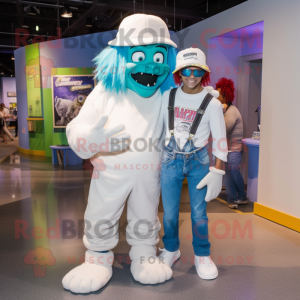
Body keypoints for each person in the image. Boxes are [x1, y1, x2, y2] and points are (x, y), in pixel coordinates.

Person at [63, 14, 178, 293]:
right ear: (118, 57)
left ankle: (143, 253)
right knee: (103, 210)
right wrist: (90, 139)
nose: (151, 65)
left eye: (159, 58)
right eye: (139, 56)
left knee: (146, 211)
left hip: (149, 172)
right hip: (110, 169)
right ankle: (98, 258)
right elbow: (77, 126)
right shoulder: (105, 92)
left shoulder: (164, 95)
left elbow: (179, 126)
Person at [159, 48, 228, 280]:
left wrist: (218, 171)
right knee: (169, 213)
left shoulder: (212, 104)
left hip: (199, 161)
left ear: (204, 72)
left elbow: (220, 140)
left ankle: (202, 254)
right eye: (186, 70)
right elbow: (156, 132)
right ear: (179, 72)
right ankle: (171, 249)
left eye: (197, 70)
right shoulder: (167, 96)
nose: (192, 75)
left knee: (199, 213)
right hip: (170, 159)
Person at [216, 77, 249, 209]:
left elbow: (223, 129)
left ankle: (242, 197)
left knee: (233, 173)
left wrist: (218, 111)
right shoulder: (227, 110)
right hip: (228, 149)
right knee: (229, 175)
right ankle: (232, 199)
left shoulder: (231, 112)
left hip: (234, 149)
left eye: (219, 94)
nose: (216, 96)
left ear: (225, 96)